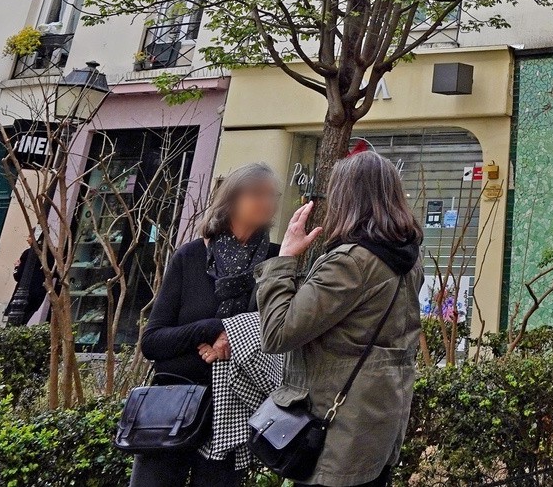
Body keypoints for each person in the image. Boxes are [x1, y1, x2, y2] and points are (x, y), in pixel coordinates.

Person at [257, 150, 422, 487]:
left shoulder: (350, 263)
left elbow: (277, 333)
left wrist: (285, 258)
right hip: (377, 427)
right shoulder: (408, 260)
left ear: (346, 196)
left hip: (337, 437)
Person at [136, 163, 284, 487]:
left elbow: (282, 334)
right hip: (173, 408)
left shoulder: (276, 263)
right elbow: (153, 342)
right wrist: (211, 328)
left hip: (233, 412)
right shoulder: (190, 257)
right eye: (257, 192)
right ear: (230, 200)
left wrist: (235, 337)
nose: (267, 201)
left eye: (272, 194)